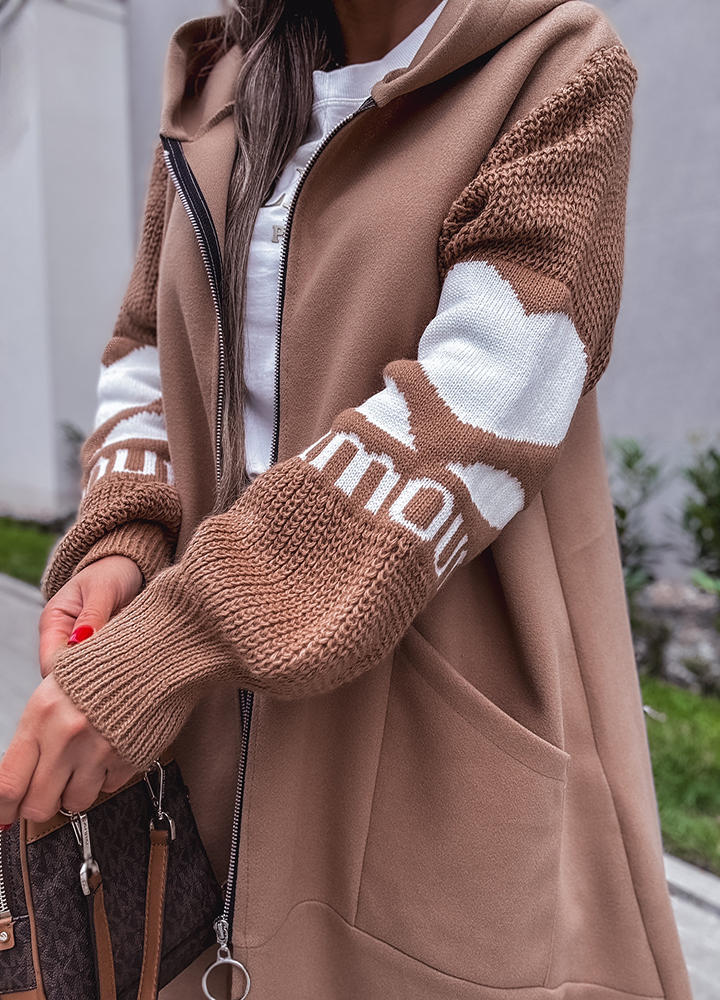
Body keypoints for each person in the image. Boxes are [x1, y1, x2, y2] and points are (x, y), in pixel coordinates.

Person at [0, 0, 692, 996]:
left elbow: (479, 404)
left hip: (428, 703)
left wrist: (167, 643)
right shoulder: (218, 85)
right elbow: (146, 345)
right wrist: (124, 533)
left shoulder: (555, 67)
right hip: (193, 721)